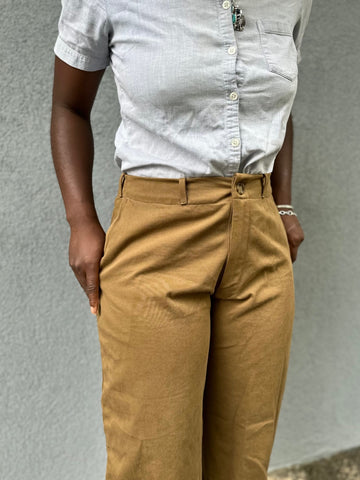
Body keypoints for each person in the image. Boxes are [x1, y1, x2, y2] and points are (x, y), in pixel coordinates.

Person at [50, 0, 311, 478]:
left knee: (244, 452)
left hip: (259, 240)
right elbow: (69, 106)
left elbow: (279, 107)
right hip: (156, 236)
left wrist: (284, 202)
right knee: (153, 457)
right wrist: (80, 220)